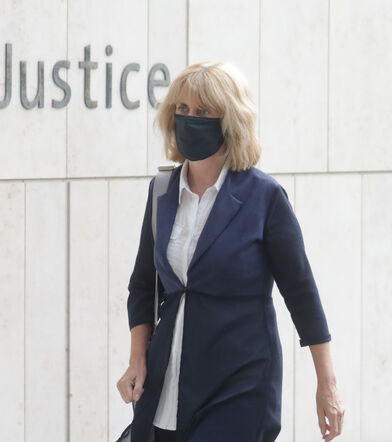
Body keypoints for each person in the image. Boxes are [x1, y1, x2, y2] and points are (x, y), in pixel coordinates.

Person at [116, 62, 344, 442]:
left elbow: (302, 294)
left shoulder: (263, 196)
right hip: (166, 383)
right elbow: (142, 286)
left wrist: (328, 384)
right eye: (183, 109)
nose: (190, 119)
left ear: (230, 120)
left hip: (241, 385)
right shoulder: (161, 192)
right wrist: (137, 358)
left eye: (204, 112)